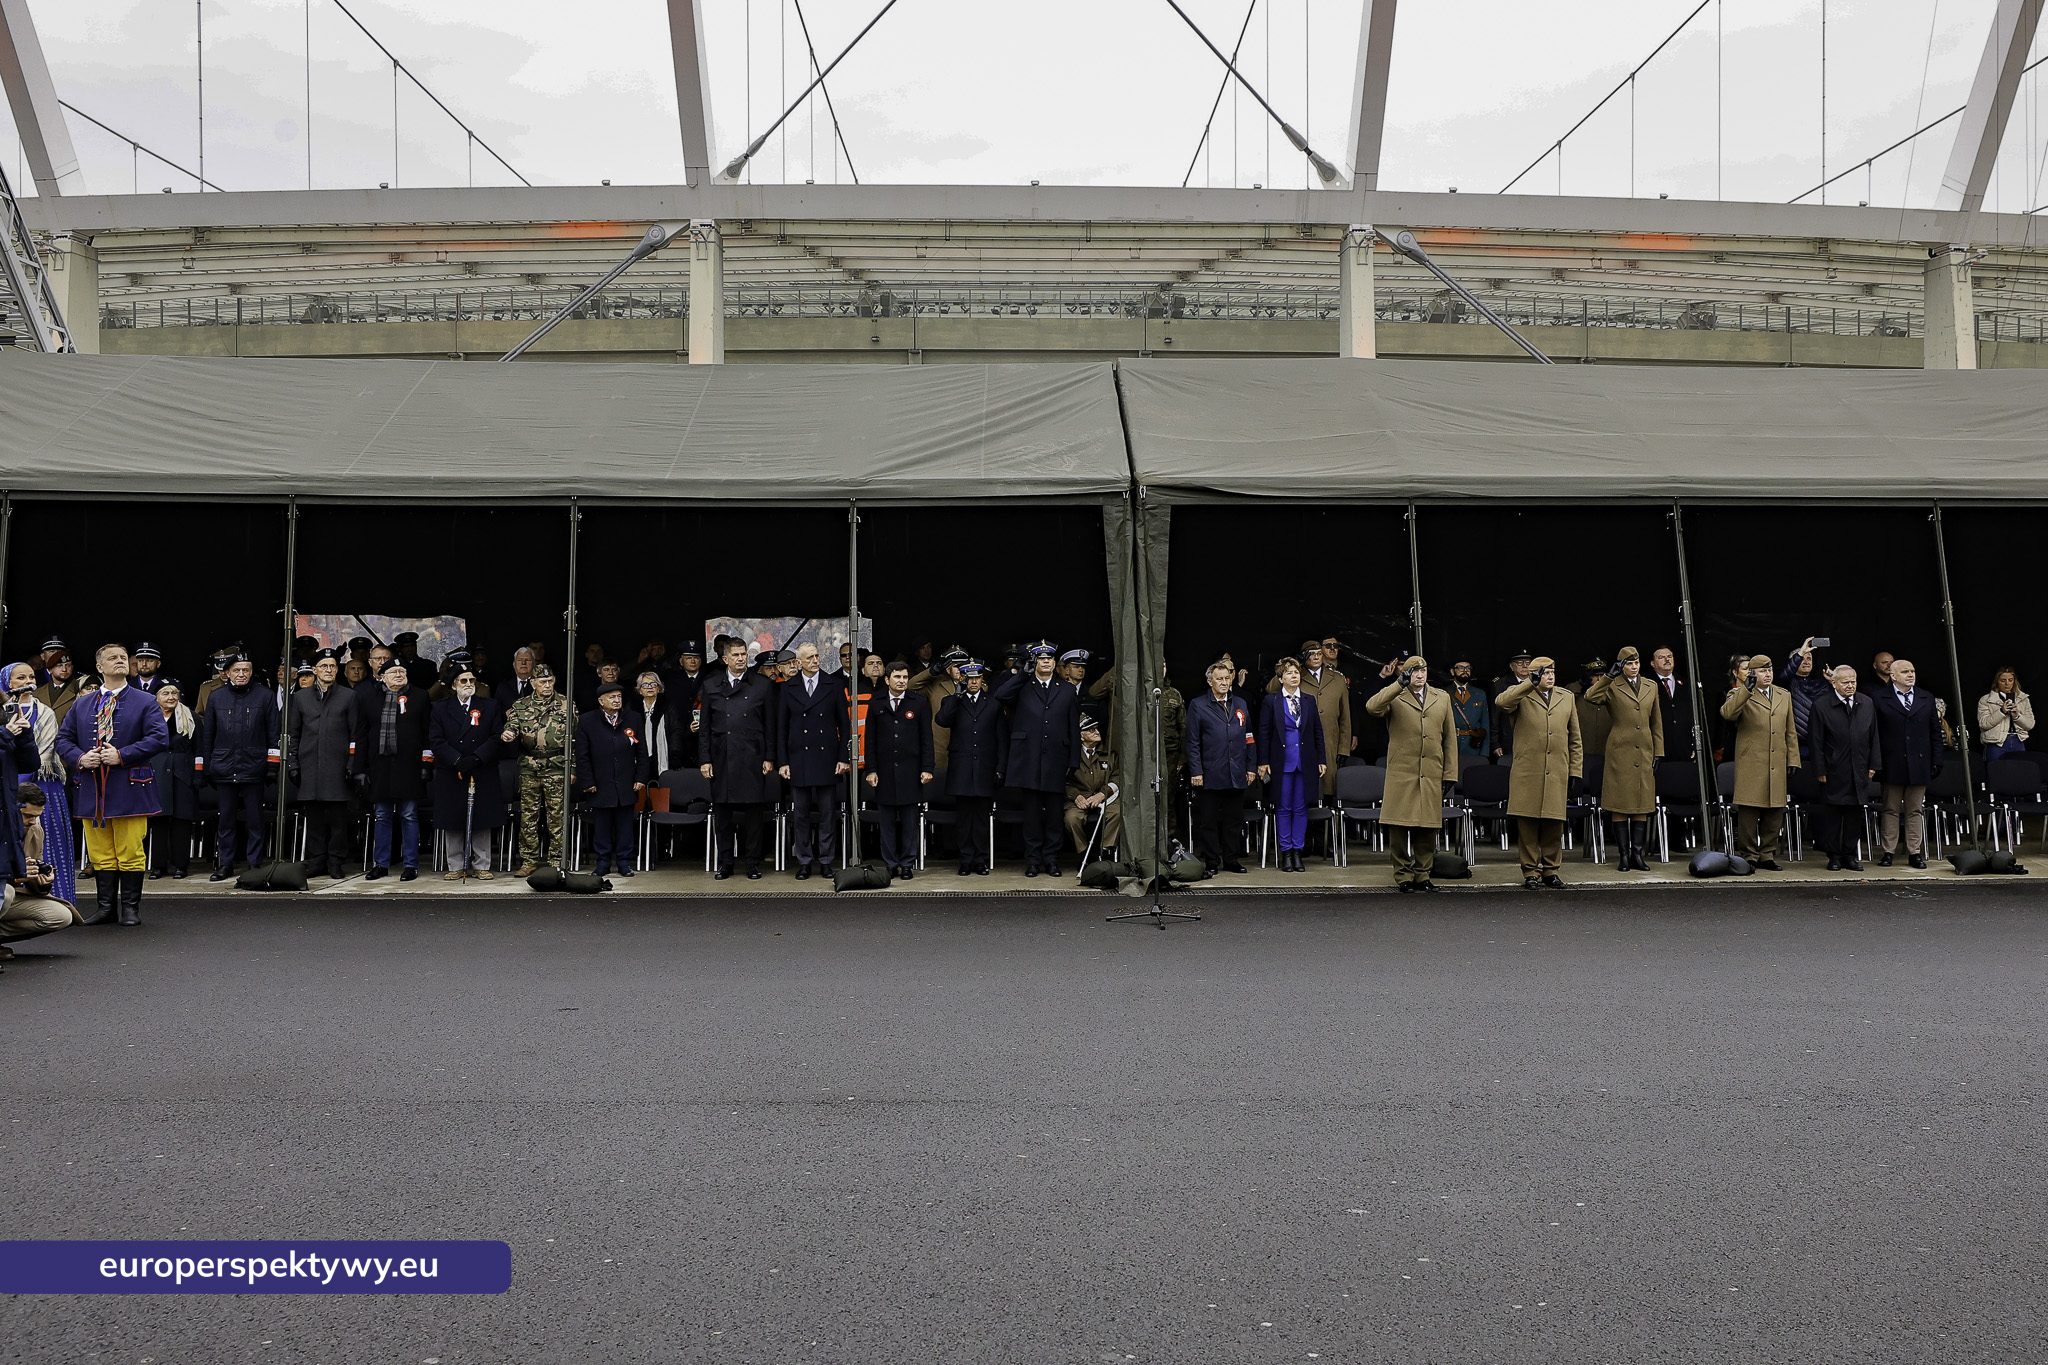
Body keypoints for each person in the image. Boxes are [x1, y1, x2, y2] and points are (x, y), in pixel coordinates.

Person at [57, 644, 168, 926]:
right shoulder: (82, 704)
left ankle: (130, 909)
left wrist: (122, 755)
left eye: (123, 658)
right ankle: (106, 908)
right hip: (92, 788)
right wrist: (81, 758)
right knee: (100, 851)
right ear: (99, 667)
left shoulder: (145, 701)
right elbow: (63, 741)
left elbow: (159, 738)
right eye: (112, 658)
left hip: (130, 786)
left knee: (131, 849)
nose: (120, 661)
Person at [1366, 655, 1459, 892]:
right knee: (1398, 828)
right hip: (1402, 772)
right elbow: (1372, 707)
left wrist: (1450, 773)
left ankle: (1423, 875)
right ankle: (1403, 875)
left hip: (1431, 770)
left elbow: (1449, 739)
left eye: (1423, 670)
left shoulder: (1442, 697)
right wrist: (1398, 684)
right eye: (1414, 671)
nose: (1419, 675)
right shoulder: (1396, 694)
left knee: (1427, 827)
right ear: (1405, 673)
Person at [993, 641, 1084, 878]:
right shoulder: (1023, 684)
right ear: (1035, 663)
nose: (1045, 663)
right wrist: (1022, 674)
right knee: (1031, 815)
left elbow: (1073, 727)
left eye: (1049, 660)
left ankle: (1051, 859)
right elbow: (1000, 696)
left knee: (1054, 815)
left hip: (1056, 759)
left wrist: (1073, 760)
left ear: (1056, 664)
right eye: (1041, 660)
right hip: (1028, 760)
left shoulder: (1066, 689)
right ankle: (1033, 860)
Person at [1495, 655, 1584, 889]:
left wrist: (1575, 770)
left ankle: (1551, 870)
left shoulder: (1566, 696)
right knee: (1528, 823)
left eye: (1552, 671)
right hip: (1528, 770)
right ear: (1533, 675)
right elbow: (1502, 702)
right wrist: (1528, 683)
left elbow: (1575, 737)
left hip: (1557, 769)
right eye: (1544, 672)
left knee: (1554, 822)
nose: (1550, 676)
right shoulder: (1521, 694)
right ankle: (1530, 871)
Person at [194, 653, 278, 882]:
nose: (241, 674)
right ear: (227, 673)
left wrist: (272, 766)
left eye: (246, 670)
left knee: (255, 819)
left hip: (255, 766)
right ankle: (226, 863)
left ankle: (254, 864)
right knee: (226, 820)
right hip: (223, 766)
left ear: (251, 672)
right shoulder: (216, 697)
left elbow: (274, 734)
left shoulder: (265, 696)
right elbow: (207, 735)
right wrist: (205, 767)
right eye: (236, 671)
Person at [1582, 646, 1664, 871]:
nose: (1634, 667)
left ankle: (1638, 854)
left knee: (1641, 803)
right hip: (1620, 750)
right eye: (1628, 663)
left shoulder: (1651, 685)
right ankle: (1624, 855)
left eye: (1636, 663)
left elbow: (1656, 721)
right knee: (1620, 804)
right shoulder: (1612, 685)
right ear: (1621, 665)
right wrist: (1609, 676)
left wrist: (1659, 752)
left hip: (1645, 749)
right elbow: (1591, 697)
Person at [700, 638, 776, 880]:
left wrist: (769, 756)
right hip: (721, 756)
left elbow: (770, 726)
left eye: (744, 654)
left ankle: (753, 862)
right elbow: (705, 728)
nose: (741, 658)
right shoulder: (711, 684)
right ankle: (726, 862)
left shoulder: (762, 685)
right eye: (736, 655)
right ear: (725, 659)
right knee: (723, 815)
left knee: (754, 815)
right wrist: (705, 759)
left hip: (752, 756)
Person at [1718, 654, 1800, 869]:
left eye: (1770, 669)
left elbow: (1790, 731)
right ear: (1752, 673)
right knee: (1749, 812)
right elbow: (1727, 713)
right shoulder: (1739, 693)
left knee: (1775, 810)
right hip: (1752, 762)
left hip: (1776, 760)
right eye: (1763, 670)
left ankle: (1767, 854)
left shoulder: (1783, 694)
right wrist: (1746, 689)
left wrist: (1793, 759)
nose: (1768, 674)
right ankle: (1749, 855)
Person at [286, 649, 361, 880]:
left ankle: (336, 862)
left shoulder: (348, 696)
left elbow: (355, 734)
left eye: (333, 666)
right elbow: (294, 733)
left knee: (339, 819)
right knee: (315, 818)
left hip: (338, 766)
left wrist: (352, 763)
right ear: (315, 670)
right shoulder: (300, 697)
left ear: (337, 670)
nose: (329, 670)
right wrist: (293, 764)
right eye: (324, 666)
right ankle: (317, 861)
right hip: (309, 766)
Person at [777, 642, 849, 880]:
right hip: (799, 757)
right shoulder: (788, 688)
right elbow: (782, 728)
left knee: (828, 813)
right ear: (799, 662)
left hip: (827, 757)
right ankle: (805, 861)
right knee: (802, 814)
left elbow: (844, 726)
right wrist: (783, 761)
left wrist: (843, 758)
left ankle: (827, 860)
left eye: (817, 656)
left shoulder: (834, 685)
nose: (815, 661)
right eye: (809, 658)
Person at [5, 660, 75, 906]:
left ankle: (59, 899)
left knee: (49, 842)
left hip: (44, 786)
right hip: (7, 784)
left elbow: (44, 752)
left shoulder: (44, 712)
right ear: (6, 683)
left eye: (30, 678)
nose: (27, 683)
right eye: (20, 678)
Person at [429, 663, 505, 879]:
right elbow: (436, 740)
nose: (469, 684)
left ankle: (481, 865)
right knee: (453, 817)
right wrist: (456, 759)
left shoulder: (489, 706)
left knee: (482, 816)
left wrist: (477, 757)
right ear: (454, 685)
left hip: (481, 768)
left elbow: (496, 736)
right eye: (464, 681)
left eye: (472, 680)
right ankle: (455, 866)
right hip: (452, 769)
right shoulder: (440, 708)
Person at [1185, 658, 1255, 876]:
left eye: (1227, 678)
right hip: (1210, 773)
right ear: (1210, 681)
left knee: (1234, 820)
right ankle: (1212, 862)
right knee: (1209, 821)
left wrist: (1251, 766)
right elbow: (1192, 742)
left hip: (1236, 773)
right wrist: (1196, 771)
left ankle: (1232, 860)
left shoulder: (1240, 703)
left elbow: (1250, 737)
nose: (1224, 683)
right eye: (1219, 679)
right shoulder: (1198, 705)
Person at [1871, 658, 1943, 869]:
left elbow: (1935, 732)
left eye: (1912, 671)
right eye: (1905, 672)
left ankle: (1915, 852)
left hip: (1919, 763)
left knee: (1915, 810)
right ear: (1893, 676)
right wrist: (1876, 762)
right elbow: (1873, 734)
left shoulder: (1925, 697)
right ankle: (1888, 851)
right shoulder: (1879, 698)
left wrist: (1937, 760)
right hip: (1891, 762)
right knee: (1891, 809)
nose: (1911, 675)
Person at [500, 664, 572, 875]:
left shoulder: (566, 704)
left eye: (550, 681)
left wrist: (573, 767)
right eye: (542, 682)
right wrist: (508, 734)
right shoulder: (521, 705)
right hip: (530, 767)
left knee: (556, 817)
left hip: (557, 766)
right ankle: (529, 861)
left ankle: (557, 861)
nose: (547, 685)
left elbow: (576, 739)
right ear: (533, 684)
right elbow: (512, 725)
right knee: (529, 817)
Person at [1256, 658, 1326, 873]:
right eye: (1289, 673)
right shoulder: (1272, 701)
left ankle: (1298, 851)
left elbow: (1317, 732)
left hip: (1305, 761)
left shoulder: (1308, 700)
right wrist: (1263, 761)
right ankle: (1286, 852)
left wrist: (1321, 759)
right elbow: (1264, 733)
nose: (1294, 676)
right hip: (1281, 763)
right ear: (1281, 678)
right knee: (1284, 808)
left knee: (1301, 807)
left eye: (1296, 672)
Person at [937, 660, 1006, 876]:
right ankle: (965, 859)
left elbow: (1001, 739)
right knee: (964, 819)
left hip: (985, 768)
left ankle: (980, 860)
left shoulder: (993, 702)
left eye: (977, 678)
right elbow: (942, 720)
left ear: (982, 678)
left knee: (982, 819)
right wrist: (957, 695)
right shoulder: (952, 700)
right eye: (969, 678)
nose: (973, 682)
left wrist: (1001, 768)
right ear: (963, 679)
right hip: (962, 769)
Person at [865, 661, 934, 878]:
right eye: (897, 677)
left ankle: (907, 863)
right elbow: (870, 741)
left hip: (910, 771)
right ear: (887, 680)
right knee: (886, 822)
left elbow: (926, 738)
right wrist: (871, 769)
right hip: (884, 772)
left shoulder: (919, 702)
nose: (902, 681)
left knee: (908, 821)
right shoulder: (876, 703)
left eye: (905, 677)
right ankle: (890, 863)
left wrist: (927, 767)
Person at [363, 659, 431, 881]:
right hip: (380, 766)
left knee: (409, 815)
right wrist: (359, 768)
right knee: (382, 815)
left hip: (409, 766)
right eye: (393, 671)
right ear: (382, 676)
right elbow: (361, 735)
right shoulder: (369, 698)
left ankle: (410, 865)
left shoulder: (420, 696)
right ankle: (380, 864)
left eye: (402, 671)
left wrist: (426, 763)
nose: (399, 674)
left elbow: (426, 732)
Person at [574, 680, 649, 877]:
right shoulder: (587, 720)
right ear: (601, 701)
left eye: (619, 697)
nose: (616, 701)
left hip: (626, 781)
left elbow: (642, 751)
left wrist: (641, 777)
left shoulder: (633, 718)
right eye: (612, 697)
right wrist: (587, 781)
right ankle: (603, 863)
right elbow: (582, 755)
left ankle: (624, 863)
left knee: (625, 825)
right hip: (600, 782)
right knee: (602, 826)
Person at [1808, 665, 1879, 871]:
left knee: (1854, 813)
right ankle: (1834, 855)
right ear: (1834, 683)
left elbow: (1874, 736)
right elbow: (1816, 741)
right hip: (1833, 768)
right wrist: (1820, 770)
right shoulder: (1821, 706)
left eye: (1853, 681)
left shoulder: (1866, 702)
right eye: (1845, 682)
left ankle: (1849, 854)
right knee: (1833, 814)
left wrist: (1874, 764)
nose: (1850, 686)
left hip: (1860, 767)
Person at [1265, 641, 1352, 795]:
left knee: (1328, 789)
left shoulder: (1338, 679)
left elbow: (1345, 717)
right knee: (1303, 791)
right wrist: (1296, 663)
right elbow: (1271, 689)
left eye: (1319, 653)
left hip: (1329, 741)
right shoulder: (1296, 675)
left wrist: (1343, 748)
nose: (1316, 657)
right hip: (1301, 742)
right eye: (1311, 654)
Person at [147, 681, 199, 879]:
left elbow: (199, 748)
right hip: (156, 772)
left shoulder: (190, 717)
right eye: (166, 693)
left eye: (175, 693)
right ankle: (158, 866)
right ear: (156, 697)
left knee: (181, 821)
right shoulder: (148, 718)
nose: (171, 697)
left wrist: (198, 774)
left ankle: (181, 866)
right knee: (158, 821)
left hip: (183, 773)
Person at [1065, 706, 1121, 867]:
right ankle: (1086, 855)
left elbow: (1118, 777)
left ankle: (1105, 852)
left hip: (1105, 797)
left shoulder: (1109, 754)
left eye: (1096, 728)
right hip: (1079, 798)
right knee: (1071, 818)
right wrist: (1077, 796)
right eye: (1091, 730)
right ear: (1081, 736)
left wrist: (1103, 794)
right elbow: (1063, 782)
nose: (1097, 732)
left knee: (1118, 812)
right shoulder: (1070, 755)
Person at [910, 650, 965, 778]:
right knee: (938, 786)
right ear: (947, 670)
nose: (960, 670)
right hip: (940, 745)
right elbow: (910, 687)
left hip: (966, 745)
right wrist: (931, 672)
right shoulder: (936, 685)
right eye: (956, 666)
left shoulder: (978, 686)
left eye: (963, 666)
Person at [629, 671, 681, 776]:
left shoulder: (668, 707)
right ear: (640, 690)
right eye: (645, 685)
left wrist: (675, 755)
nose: (649, 687)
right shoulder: (632, 710)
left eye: (653, 684)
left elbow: (676, 732)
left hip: (663, 756)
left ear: (659, 688)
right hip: (640, 758)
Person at [1977, 666, 2033, 762]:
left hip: (2018, 741)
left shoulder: (2023, 699)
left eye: (2010, 680)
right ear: (1997, 682)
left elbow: (2030, 724)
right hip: (1997, 743)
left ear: (2014, 681)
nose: (2007, 684)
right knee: (1996, 773)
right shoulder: (1986, 700)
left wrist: (2017, 716)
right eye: (2003, 680)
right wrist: (2001, 712)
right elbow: (1983, 724)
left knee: (2020, 773)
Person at [1647, 646, 1693, 761]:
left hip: (1684, 746)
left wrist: (1694, 744)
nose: (1667, 660)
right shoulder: (1647, 685)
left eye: (1669, 656)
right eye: (1661, 657)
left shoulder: (1686, 683)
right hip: (1660, 747)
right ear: (1653, 663)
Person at [1490, 649, 1535, 760]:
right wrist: (1495, 743)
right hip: (1509, 737)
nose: (1525, 666)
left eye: (1528, 663)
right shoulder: (1500, 684)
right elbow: (1495, 716)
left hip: (1534, 737)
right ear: (1511, 666)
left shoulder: (1539, 682)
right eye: (1520, 663)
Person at [1446, 660, 1489, 763]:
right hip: (1451, 746)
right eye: (1461, 668)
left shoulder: (1480, 694)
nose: (1465, 671)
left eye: (1468, 668)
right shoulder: (1444, 693)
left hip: (1473, 748)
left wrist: (1484, 753)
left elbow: (1485, 725)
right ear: (1452, 672)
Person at [36, 648, 83, 722]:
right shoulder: (37, 693)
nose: (64, 669)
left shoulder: (80, 690)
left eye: (68, 665)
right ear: (50, 669)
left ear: (72, 667)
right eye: (59, 665)